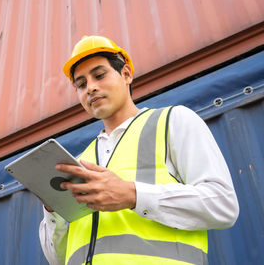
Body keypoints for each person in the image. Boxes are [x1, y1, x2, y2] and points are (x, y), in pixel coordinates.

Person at [39, 35, 239, 265]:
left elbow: (223, 205)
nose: (91, 88)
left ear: (126, 74)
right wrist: (52, 210)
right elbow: (59, 258)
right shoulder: (79, 162)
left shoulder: (173, 122)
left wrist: (133, 196)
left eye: (99, 75)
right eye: (81, 84)